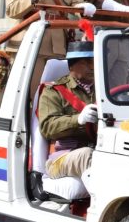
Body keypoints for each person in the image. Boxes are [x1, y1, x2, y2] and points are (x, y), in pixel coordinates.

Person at [38, 41, 97, 179]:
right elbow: (47, 127)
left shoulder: (103, 90)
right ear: (71, 66)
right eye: (86, 62)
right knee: (88, 155)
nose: (92, 67)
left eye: (94, 62)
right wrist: (78, 120)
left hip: (98, 148)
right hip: (62, 157)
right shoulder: (53, 91)